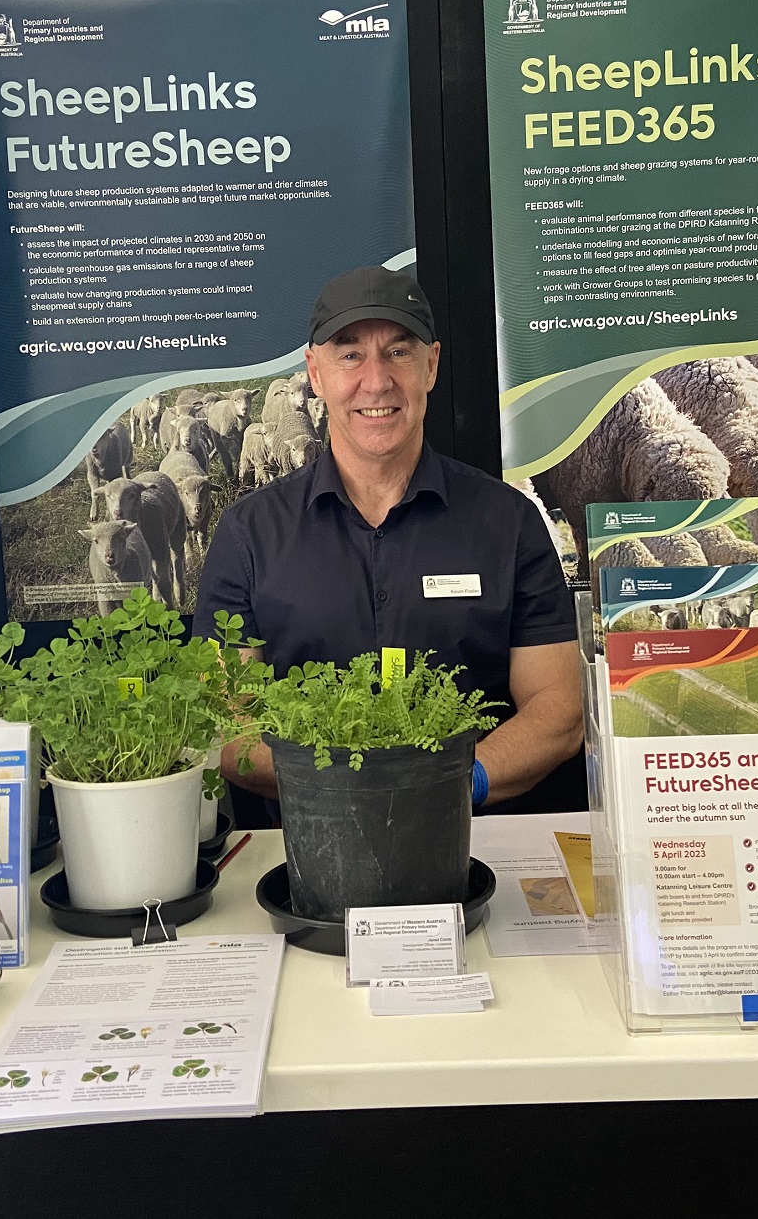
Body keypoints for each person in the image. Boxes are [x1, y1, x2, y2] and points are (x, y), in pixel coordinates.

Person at [192, 265, 584, 817]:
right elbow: (225, 719)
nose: (376, 382)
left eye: (398, 352)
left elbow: (559, 708)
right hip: (303, 850)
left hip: (474, 847)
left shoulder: (508, 522)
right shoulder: (248, 534)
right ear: (315, 373)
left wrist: (453, 786)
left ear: (432, 365)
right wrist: (343, 791)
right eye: (350, 355)